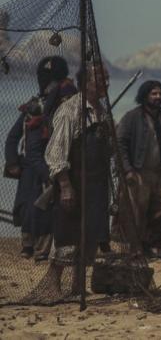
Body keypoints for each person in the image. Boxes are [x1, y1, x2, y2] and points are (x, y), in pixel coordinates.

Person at [26, 62, 111, 302]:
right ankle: (53, 286)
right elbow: (55, 152)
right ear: (86, 82)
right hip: (74, 182)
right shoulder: (71, 110)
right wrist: (65, 186)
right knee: (66, 236)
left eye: (107, 78)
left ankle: (77, 287)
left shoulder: (102, 110)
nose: (106, 84)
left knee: (89, 235)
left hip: (96, 185)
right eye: (100, 79)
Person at [5, 56, 76, 261]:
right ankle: (28, 246)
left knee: (43, 211)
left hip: (51, 165)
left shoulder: (67, 103)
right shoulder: (34, 106)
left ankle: (41, 251)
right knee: (27, 207)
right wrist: (12, 163)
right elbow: (13, 138)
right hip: (34, 166)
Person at [116, 79, 161, 257]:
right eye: (154, 93)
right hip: (138, 172)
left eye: (160, 93)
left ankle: (154, 244)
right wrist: (128, 169)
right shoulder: (132, 117)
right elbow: (120, 143)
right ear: (145, 95)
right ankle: (136, 248)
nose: (157, 97)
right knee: (137, 211)